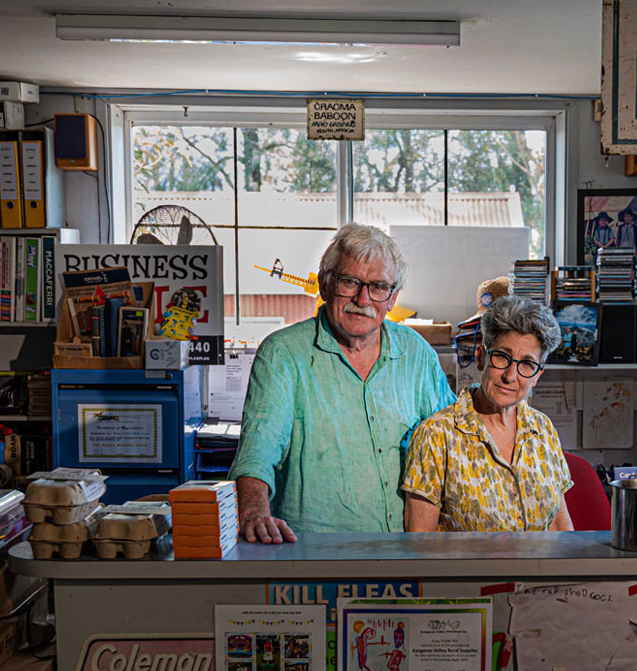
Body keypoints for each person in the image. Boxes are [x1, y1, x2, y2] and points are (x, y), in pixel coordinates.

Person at [230, 224, 451, 542]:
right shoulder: (283, 354)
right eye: (350, 282)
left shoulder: (417, 353)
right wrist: (254, 512)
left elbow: (452, 441)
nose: (363, 299)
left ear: (392, 297)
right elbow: (257, 454)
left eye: (378, 287)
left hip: (406, 551)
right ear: (325, 284)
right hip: (313, 553)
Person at [402, 296, 574, 532]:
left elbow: (560, 525)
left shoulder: (543, 429)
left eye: (527, 364)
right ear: (481, 357)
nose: (510, 376)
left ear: (537, 376)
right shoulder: (436, 436)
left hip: (542, 559)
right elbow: (420, 543)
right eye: (502, 357)